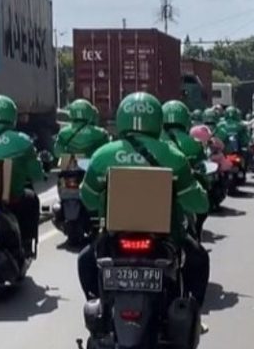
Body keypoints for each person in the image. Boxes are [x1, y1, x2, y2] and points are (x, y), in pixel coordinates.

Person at [78, 92, 210, 310]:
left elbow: (89, 200)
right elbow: (198, 205)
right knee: (198, 260)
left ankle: (98, 312)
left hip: (113, 238)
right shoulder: (174, 157)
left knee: (85, 260)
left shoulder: (102, 156)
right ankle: (192, 312)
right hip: (166, 238)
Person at [0, 95, 45, 258]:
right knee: (31, 200)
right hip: (11, 199)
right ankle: (27, 245)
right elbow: (37, 175)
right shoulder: (23, 140)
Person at [161, 100, 210, 241]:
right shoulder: (193, 144)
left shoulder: (156, 143)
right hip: (181, 197)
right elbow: (202, 170)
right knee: (200, 257)